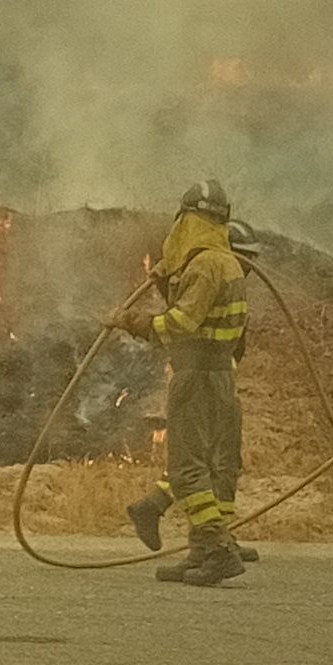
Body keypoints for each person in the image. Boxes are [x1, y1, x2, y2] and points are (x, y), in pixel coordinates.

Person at [124, 174, 254, 590]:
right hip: (219, 375)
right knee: (212, 463)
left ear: (188, 219)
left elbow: (180, 323)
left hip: (196, 374)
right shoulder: (225, 260)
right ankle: (201, 552)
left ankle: (217, 549)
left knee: (185, 467)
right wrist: (166, 277)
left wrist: (134, 323)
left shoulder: (204, 265)